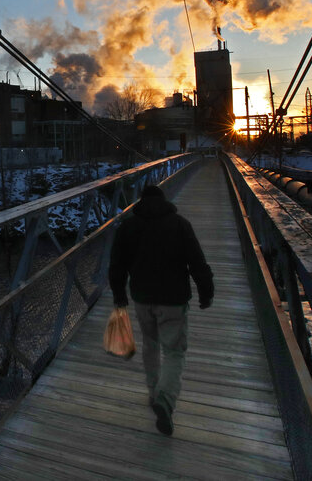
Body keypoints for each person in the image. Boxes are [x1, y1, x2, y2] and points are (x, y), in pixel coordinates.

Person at [109, 184, 214, 436]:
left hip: (142, 298)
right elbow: (197, 262)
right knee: (175, 352)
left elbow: (116, 266)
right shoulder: (180, 224)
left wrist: (119, 295)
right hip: (174, 301)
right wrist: (206, 292)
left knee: (150, 343)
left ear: (141, 203)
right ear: (164, 201)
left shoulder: (128, 227)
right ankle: (165, 400)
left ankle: (153, 390)